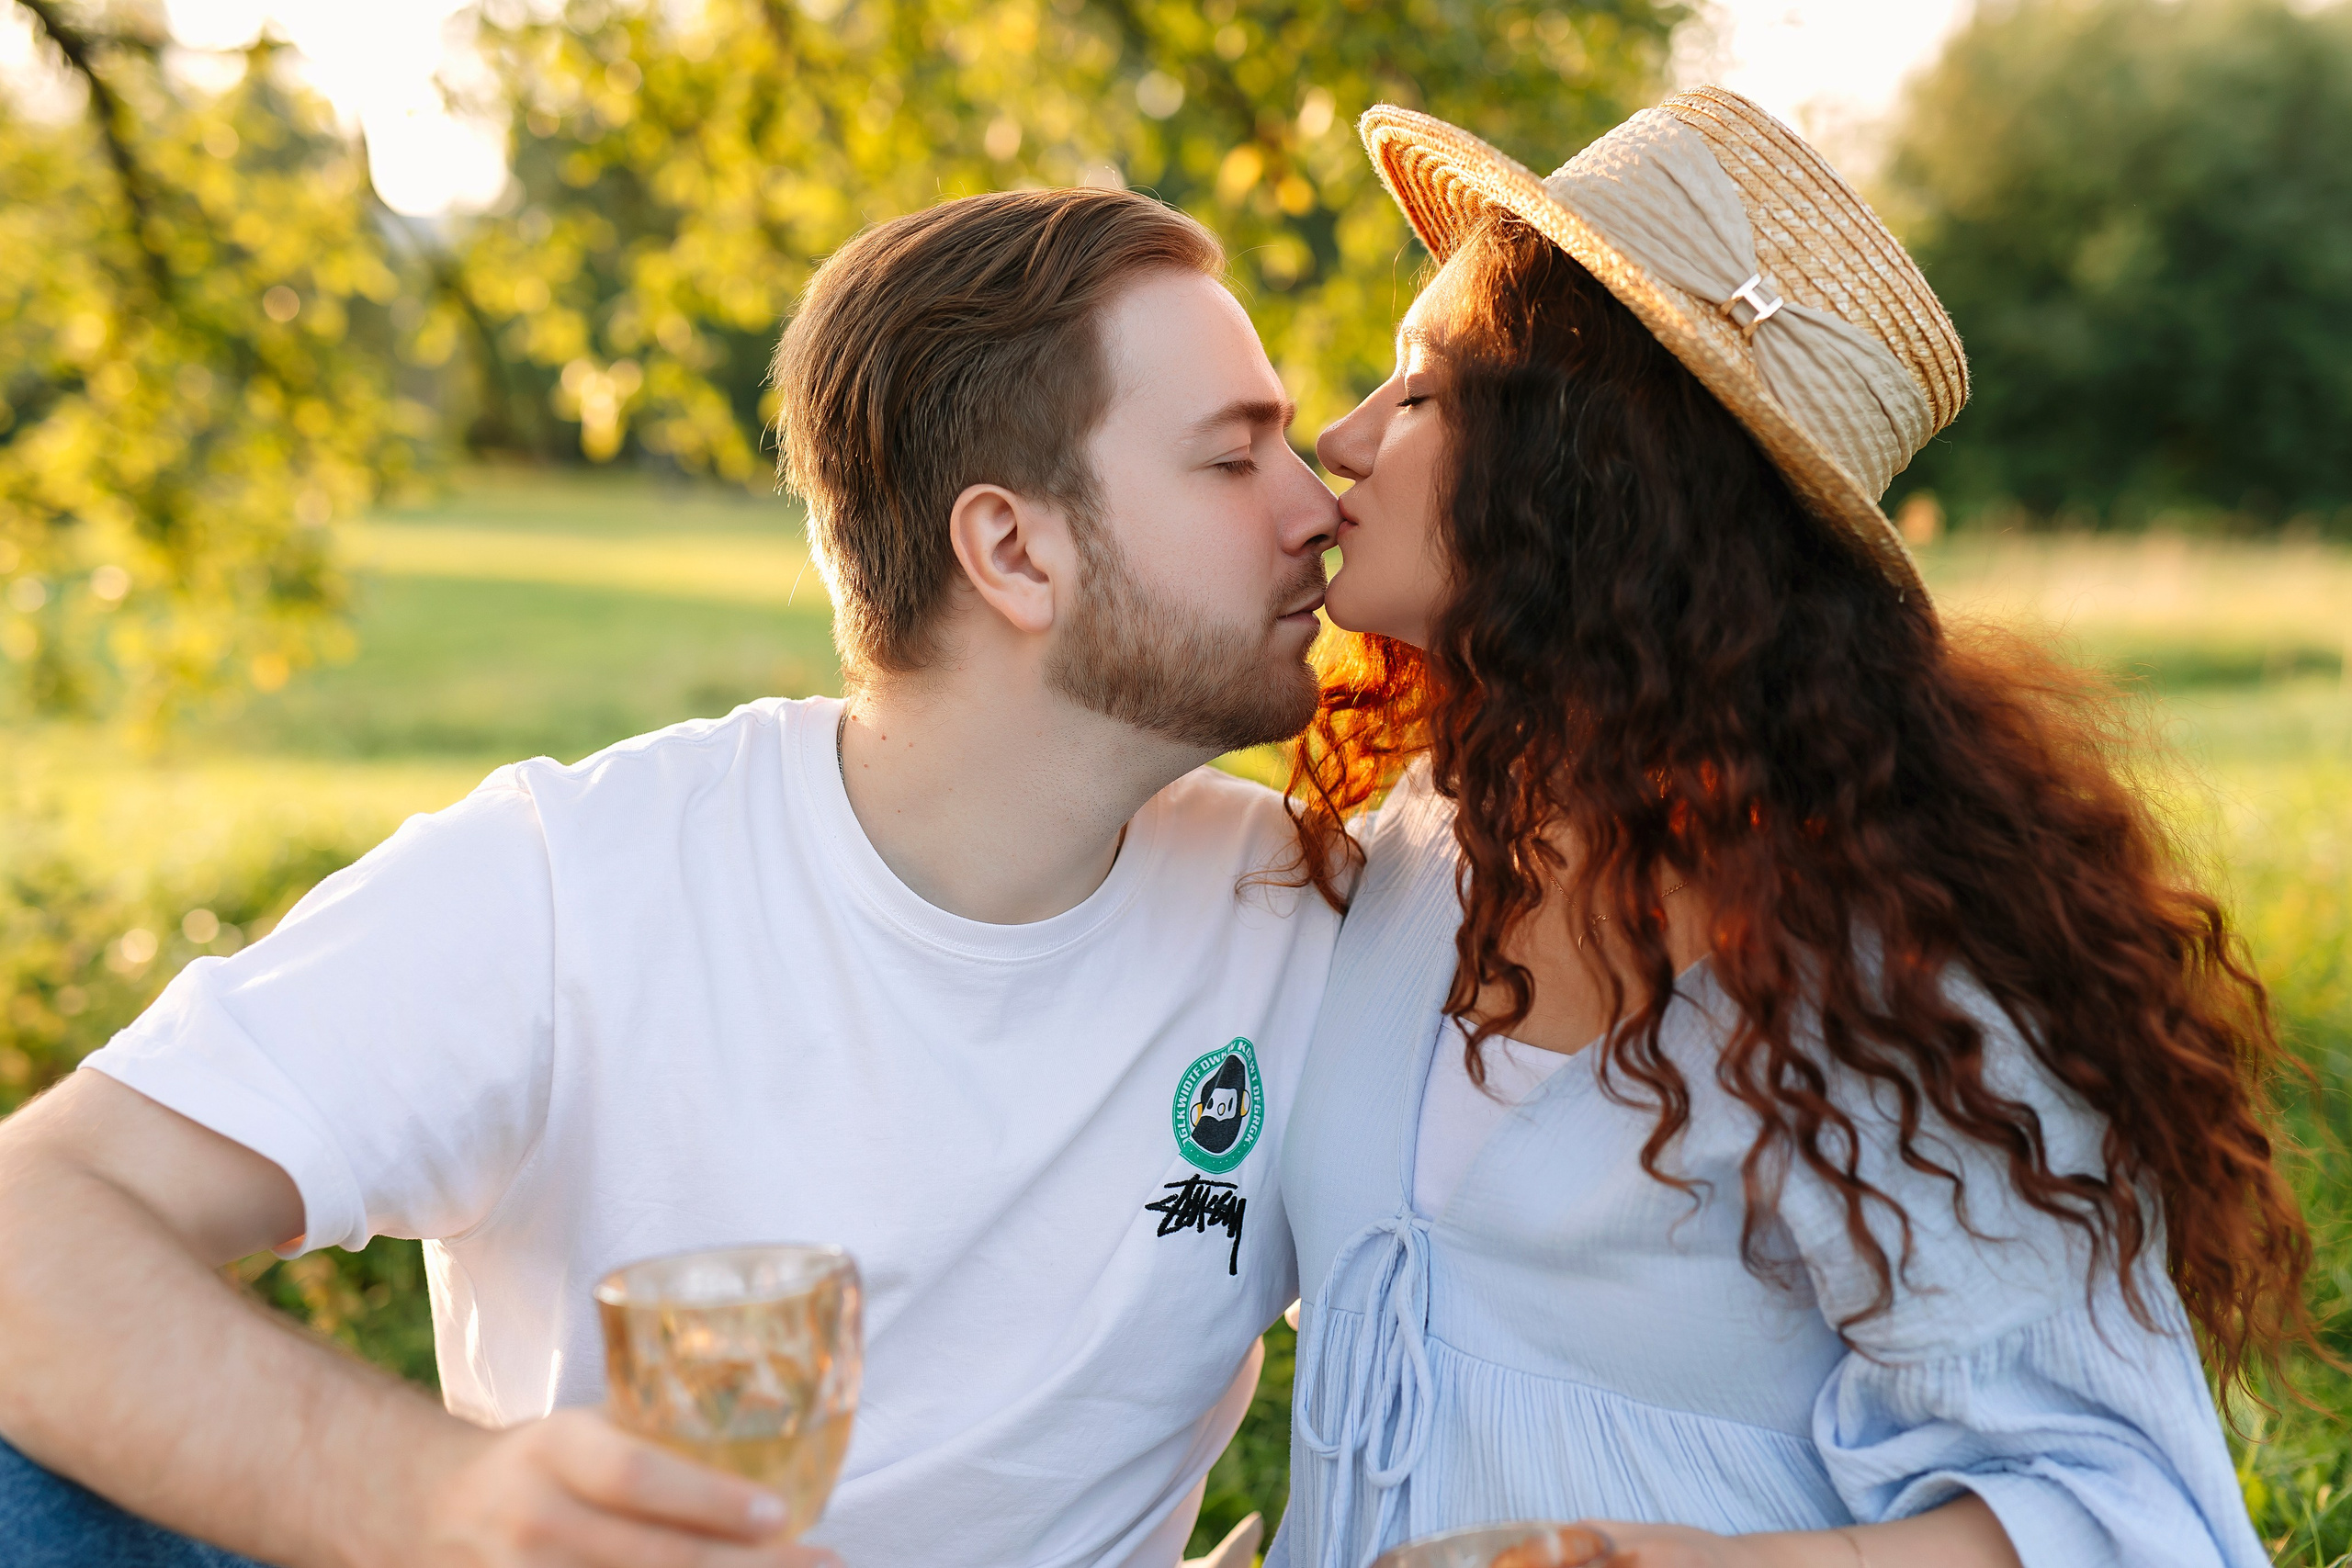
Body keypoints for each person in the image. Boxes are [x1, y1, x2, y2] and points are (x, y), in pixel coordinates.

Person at [0, 186, 1340, 1568]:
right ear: (1012, 549)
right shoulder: (571, 886)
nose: (1320, 508)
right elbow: (27, 1230)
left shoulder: (1313, 920)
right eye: (1236, 461)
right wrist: (438, 1502)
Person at [1272, 88, 2309, 1568]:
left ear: (1595, 473)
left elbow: (2128, 1521)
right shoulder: (1413, 842)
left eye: (1427, 391)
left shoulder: (1877, 973)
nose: (1343, 434)